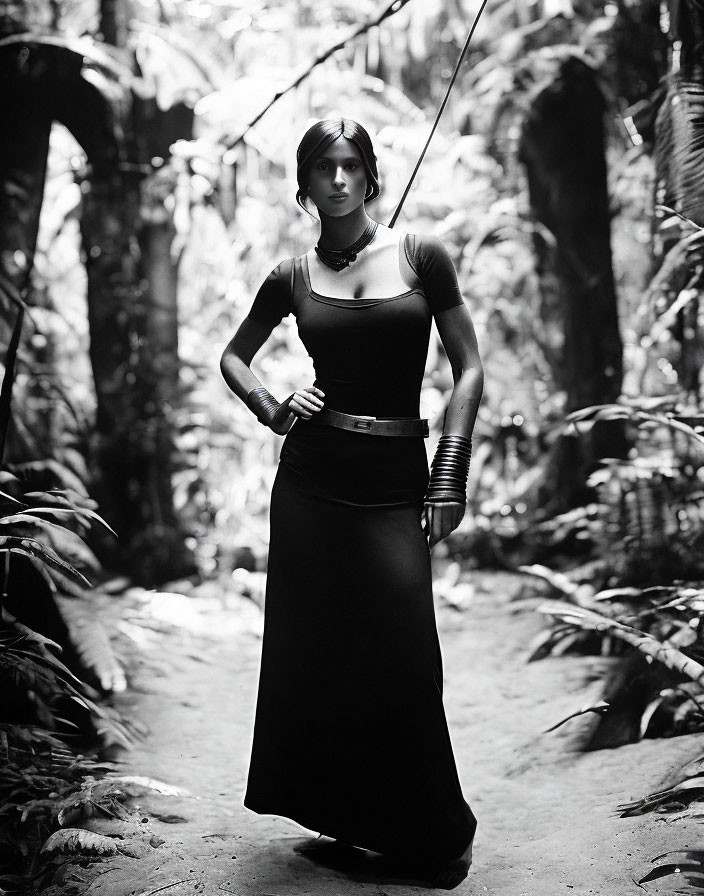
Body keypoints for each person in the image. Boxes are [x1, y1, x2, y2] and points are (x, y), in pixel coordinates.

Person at [220, 118, 484, 890]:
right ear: (305, 185)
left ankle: (437, 835)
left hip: (397, 476)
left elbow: (469, 368)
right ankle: (346, 818)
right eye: (322, 167)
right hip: (310, 481)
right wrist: (273, 406)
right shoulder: (290, 275)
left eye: (350, 164)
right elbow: (233, 356)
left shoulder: (420, 255)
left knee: (403, 654)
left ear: (371, 174)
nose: (337, 179)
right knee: (319, 655)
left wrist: (451, 472)